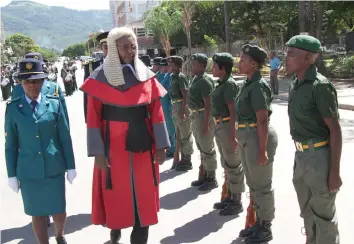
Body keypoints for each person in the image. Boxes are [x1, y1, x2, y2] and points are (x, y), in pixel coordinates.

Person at [80, 27, 170, 244]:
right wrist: (98, 153)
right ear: (112, 49)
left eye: (133, 46)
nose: (130, 51)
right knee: (117, 192)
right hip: (113, 145)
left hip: (143, 143)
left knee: (144, 192)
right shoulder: (99, 78)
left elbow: (157, 113)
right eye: (124, 47)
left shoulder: (146, 76)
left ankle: (139, 236)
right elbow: (93, 118)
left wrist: (161, 145)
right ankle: (115, 229)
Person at [5, 59, 76, 244]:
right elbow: (10, 145)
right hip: (29, 170)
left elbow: (64, 137)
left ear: (43, 81)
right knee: (36, 213)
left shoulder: (54, 104)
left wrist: (71, 166)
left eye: (36, 81)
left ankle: (60, 235)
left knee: (59, 209)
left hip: (54, 166)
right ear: (20, 83)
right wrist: (11, 174)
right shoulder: (13, 108)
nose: (31, 85)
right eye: (27, 81)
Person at [286, 35, 342, 244]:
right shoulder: (295, 84)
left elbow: (335, 131)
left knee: (324, 217)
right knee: (307, 212)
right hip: (301, 156)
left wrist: (334, 172)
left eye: (292, 54)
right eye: (287, 52)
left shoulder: (320, 86)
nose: (286, 57)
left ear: (308, 57)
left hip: (319, 158)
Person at [236, 44, 278, 243]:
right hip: (248, 137)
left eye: (243, 60)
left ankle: (265, 226)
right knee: (253, 183)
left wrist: (263, 150)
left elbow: (262, 119)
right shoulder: (248, 83)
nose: (239, 62)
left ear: (254, 64)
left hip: (257, 137)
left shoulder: (258, 85)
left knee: (262, 185)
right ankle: (258, 222)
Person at [210, 53, 245, 216]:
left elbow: (234, 113)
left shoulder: (229, 85)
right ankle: (230, 195)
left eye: (215, 66)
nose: (212, 68)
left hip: (227, 126)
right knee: (226, 163)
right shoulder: (220, 83)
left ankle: (236, 200)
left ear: (223, 69)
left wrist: (233, 136)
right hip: (219, 126)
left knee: (233, 164)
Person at [187, 53, 218, 191]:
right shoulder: (196, 79)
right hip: (195, 116)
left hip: (203, 116)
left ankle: (211, 177)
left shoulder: (205, 81)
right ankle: (204, 174)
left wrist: (206, 125)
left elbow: (209, 105)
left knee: (207, 148)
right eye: (191, 64)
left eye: (194, 64)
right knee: (201, 147)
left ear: (203, 66)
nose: (191, 67)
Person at [11, 52, 69, 124]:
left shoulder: (54, 87)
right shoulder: (18, 89)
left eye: (38, 66)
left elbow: (63, 119)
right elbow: (12, 116)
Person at [167, 55, 194, 170]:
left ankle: (187, 159)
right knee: (178, 134)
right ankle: (180, 157)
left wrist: (183, 111)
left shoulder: (181, 77)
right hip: (175, 106)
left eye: (172, 64)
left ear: (177, 66)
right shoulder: (173, 77)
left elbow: (185, 96)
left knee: (185, 134)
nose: (169, 66)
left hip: (181, 106)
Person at [83, 31, 109, 124]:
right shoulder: (91, 67)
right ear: (101, 48)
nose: (110, 51)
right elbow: (87, 97)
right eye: (106, 47)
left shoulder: (125, 65)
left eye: (113, 47)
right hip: (99, 116)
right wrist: (89, 121)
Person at [159, 58, 176, 158]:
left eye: (167, 66)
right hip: (164, 106)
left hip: (168, 106)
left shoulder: (171, 77)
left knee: (172, 129)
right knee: (169, 129)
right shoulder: (167, 76)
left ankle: (174, 148)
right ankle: (171, 147)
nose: (164, 68)